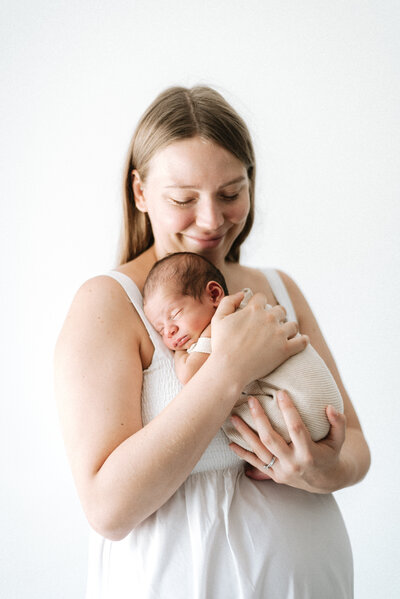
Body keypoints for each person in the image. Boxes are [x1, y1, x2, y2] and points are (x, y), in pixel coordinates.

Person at [55, 85, 370, 599]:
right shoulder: (108, 304)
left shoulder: (279, 288)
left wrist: (322, 468)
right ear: (139, 193)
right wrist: (226, 370)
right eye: (183, 199)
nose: (211, 220)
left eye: (230, 193)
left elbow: (355, 446)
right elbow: (107, 510)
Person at [142, 250, 344, 450]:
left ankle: (271, 456)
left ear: (214, 295)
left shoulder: (221, 326)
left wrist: (180, 354)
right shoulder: (251, 308)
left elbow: (189, 373)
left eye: (175, 314)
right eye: (160, 329)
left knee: (225, 412)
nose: (169, 331)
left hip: (303, 413)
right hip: (327, 409)